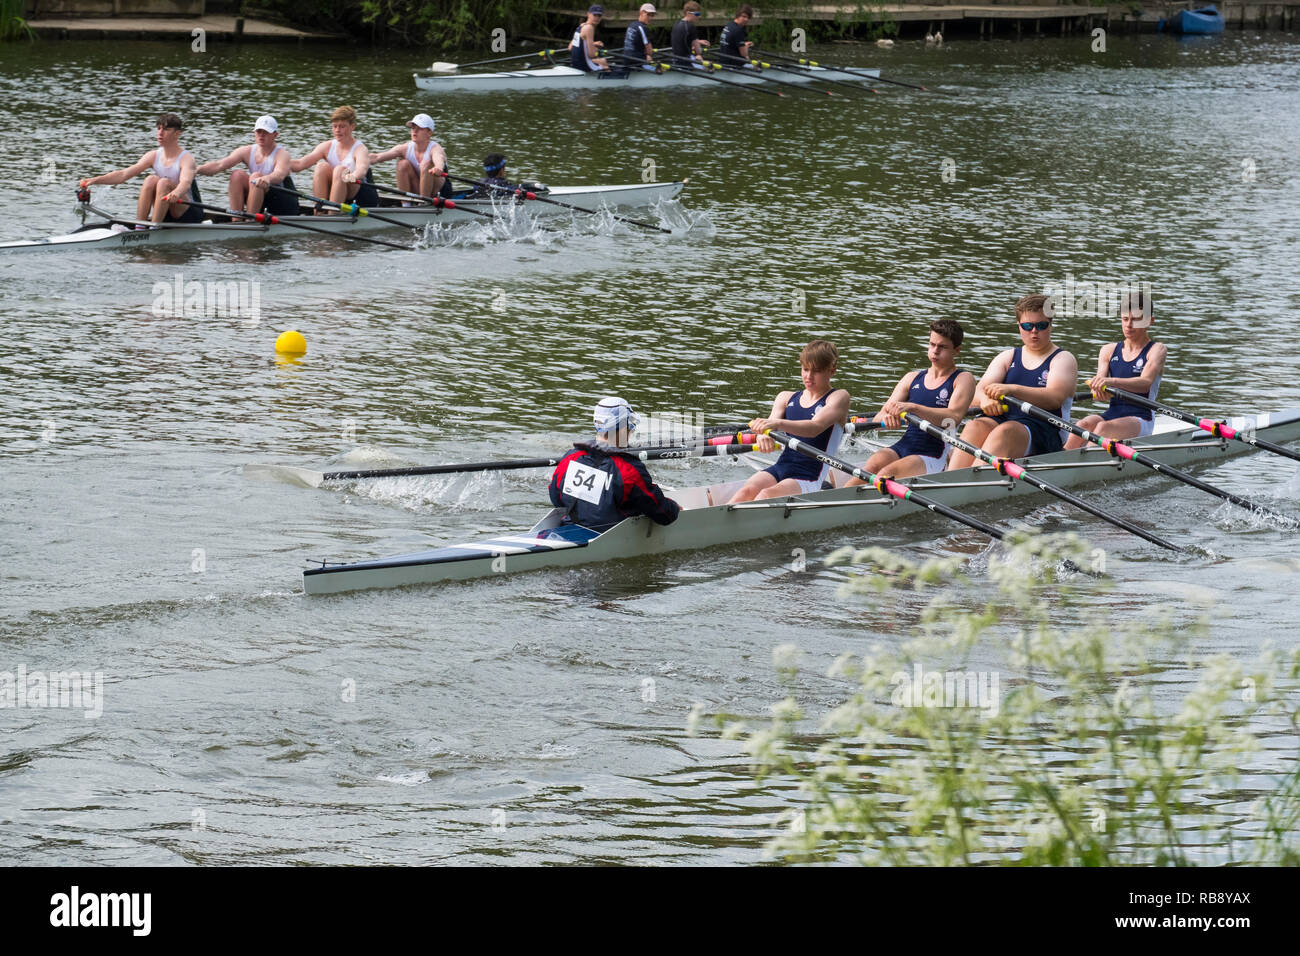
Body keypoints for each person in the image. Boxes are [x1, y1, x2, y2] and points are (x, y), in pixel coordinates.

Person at [946, 294, 1078, 470]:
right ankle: (951, 477)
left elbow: (1054, 398)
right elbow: (977, 392)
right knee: (974, 426)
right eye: (1027, 326)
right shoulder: (1007, 357)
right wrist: (985, 400)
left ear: (1050, 325)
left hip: (1045, 429)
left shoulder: (1063, 359)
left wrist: (1012, 389)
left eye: (1041, 325)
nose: (1034, 331)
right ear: (1019, 326)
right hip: (1006, 418)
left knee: (1005, 431)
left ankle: (967, 483)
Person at [848, 320, 976, 482]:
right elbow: (879, 418)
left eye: (942, 347)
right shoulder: (911, 378)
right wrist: (888, 419)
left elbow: (953, 417)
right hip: (903, 447)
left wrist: (913, 408)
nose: (935, 351)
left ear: (957, 351)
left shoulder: (963, 379)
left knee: (886, 473)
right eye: (932, 344)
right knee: (870, 467)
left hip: (932, 456)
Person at [728, 340, 851, 502]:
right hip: (781, 468)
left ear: (832, 371)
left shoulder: (839, 397)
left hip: (809, 477)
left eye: (816, 371)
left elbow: (814, 427)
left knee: (765, 496)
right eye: (805, 369)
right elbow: (768, 428)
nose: (808, 376)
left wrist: (777, 424)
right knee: (745, 492)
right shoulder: (785, 397)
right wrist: (763, 436)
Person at [547, 397, 681, 538]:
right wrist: (675, 508)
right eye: (630, 425)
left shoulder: (570, 456)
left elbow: (556, 498)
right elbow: (663, 514)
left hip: (569, 527)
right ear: (623, 427)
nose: (631, 431)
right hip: (609, 536)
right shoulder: (629, 469)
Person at [1065, 290, 1167, 448]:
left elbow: (1145, 382)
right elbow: (1101, 393)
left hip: (1141, 418)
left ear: (1149, 321)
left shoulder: (1157, 350)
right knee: (1082, 425)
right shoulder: (1108, 350)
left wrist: (1110, 381)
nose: (1128, 325)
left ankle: (1085, 465)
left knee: (1102, 429)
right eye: (1125, 319)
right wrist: (1099, 390)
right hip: (1113, 413)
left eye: (1136, 320)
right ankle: (1060, 461)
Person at [79, 112, 204, 225]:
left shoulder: (186, 159)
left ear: (177, 133)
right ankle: (140, 226)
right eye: (159, 128)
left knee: (163, 182)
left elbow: (185, 183)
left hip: (189, 212)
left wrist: (176, 193)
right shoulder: (153, 155)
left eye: (166, 129)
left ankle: (153, 230)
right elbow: (123, 175)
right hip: (166, 207)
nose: (160, 133)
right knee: (150, 179)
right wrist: (94, 180)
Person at [195, 115, 299, 217]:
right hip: (261, 198)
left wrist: (267, 178)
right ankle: (236, 219)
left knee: (255, 176)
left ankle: (249, 221)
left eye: (266, 132)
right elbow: (219, 165)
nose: (261, 135)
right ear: (254, 132)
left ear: (275, 135)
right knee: (237, 175)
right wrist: (196, 170)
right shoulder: (246, 151)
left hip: (284, 203)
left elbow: (279, 175)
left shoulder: (282, 154)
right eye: (259, 131)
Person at [290, 105, 378, 212]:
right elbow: (300, 164)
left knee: (340, 170)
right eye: (334, 126)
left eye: (342, 126)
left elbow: (361, 170)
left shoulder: (360, 149)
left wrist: (349, 177)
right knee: (321, 166)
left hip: (359, 194)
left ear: (352, 127)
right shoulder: (326, 146)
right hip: (338, 189)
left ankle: (332, 214)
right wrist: (279, 165)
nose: (337, 130)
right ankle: (319, 212)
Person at [370, 113, 450, 201]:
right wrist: (358, 160)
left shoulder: (435, 148)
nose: (414, 131)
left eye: (419, 128)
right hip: (419, 189)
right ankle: (406, 204)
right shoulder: (405, 148)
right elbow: (377, 157)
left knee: (426, 165)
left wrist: (438, 168)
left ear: (429, 133)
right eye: (413, 128)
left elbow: (439, 160)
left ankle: (423, 204)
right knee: (402, 164)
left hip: (439, 192)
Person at [570, 5, 609, 72]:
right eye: (594, 15)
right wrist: (596, 49)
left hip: (575, 64)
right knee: (604, 61)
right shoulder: (589, 28)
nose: (597, 18)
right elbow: (592, 55)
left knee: (601, 61)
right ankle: (611, 81)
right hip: (584, 65)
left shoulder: (580, 26)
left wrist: (593, 43)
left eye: (599, 16)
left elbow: (570, 47)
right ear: (588, 14)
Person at [670, 1, 710, 66]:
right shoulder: (691, 27)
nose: (698, 16)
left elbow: (681, 40)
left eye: (699, 14)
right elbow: (698, 51)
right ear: (688, 13)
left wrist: (698, 41)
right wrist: (698, 53)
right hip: (687, 61)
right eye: (697, 14)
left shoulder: (676, 24)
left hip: (675, 60)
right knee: (708, 66)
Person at [623, 4, 658, 69]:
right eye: (648, 14)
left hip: (626, 57)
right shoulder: (642, 28)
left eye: (652, 15)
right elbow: (649, 51)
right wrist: (648, 56)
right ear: (641, 13)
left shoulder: (631, 25)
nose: (651, 18)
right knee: (657, 66)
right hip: (636, 60)